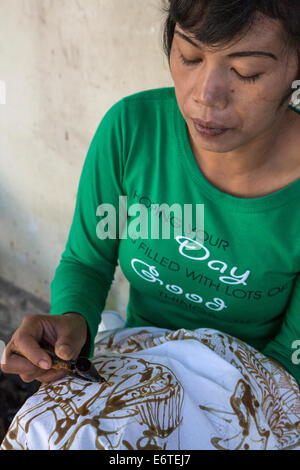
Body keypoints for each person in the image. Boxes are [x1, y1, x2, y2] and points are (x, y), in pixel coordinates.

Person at [1, 0, 300, 391]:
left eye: (247, 72)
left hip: (251, 384)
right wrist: (71, 323)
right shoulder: (132, 131)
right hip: (136, 358)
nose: (206, 95)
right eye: (190, 57)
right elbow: (88, 263)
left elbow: (286, 358)